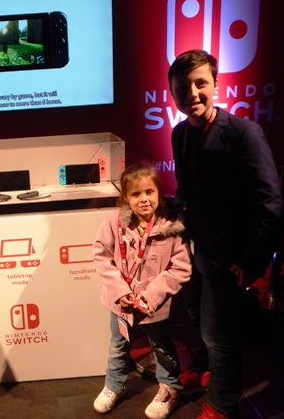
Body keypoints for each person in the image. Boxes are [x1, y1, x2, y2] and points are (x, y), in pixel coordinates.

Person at [168, 50, 284, 419]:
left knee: (218, 333)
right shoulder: (179, 133)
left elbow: (271, 204)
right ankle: (202, 367)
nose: (192, 93)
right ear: (172, 93)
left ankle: (223, 402)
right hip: (195, 249)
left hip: (229, 257)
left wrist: (251, 262)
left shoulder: (244, 133)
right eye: (182, 87)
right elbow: (186, 191)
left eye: (200, 83)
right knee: (196, 316)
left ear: (216, 85)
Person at [92, 164, 191, 419]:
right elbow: (101, 256)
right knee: (117, 345)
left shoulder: (171, 227)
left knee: (162, 347)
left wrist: (151, 296)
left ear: (159, 192)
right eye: (136, 194)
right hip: (120, 302)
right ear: (125, 197)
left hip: (153, 306)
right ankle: (114, 385)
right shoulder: (113, 222)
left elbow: (181, 268)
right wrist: (119, 291)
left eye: (149, 192)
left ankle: (170, 389)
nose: (144, 199)